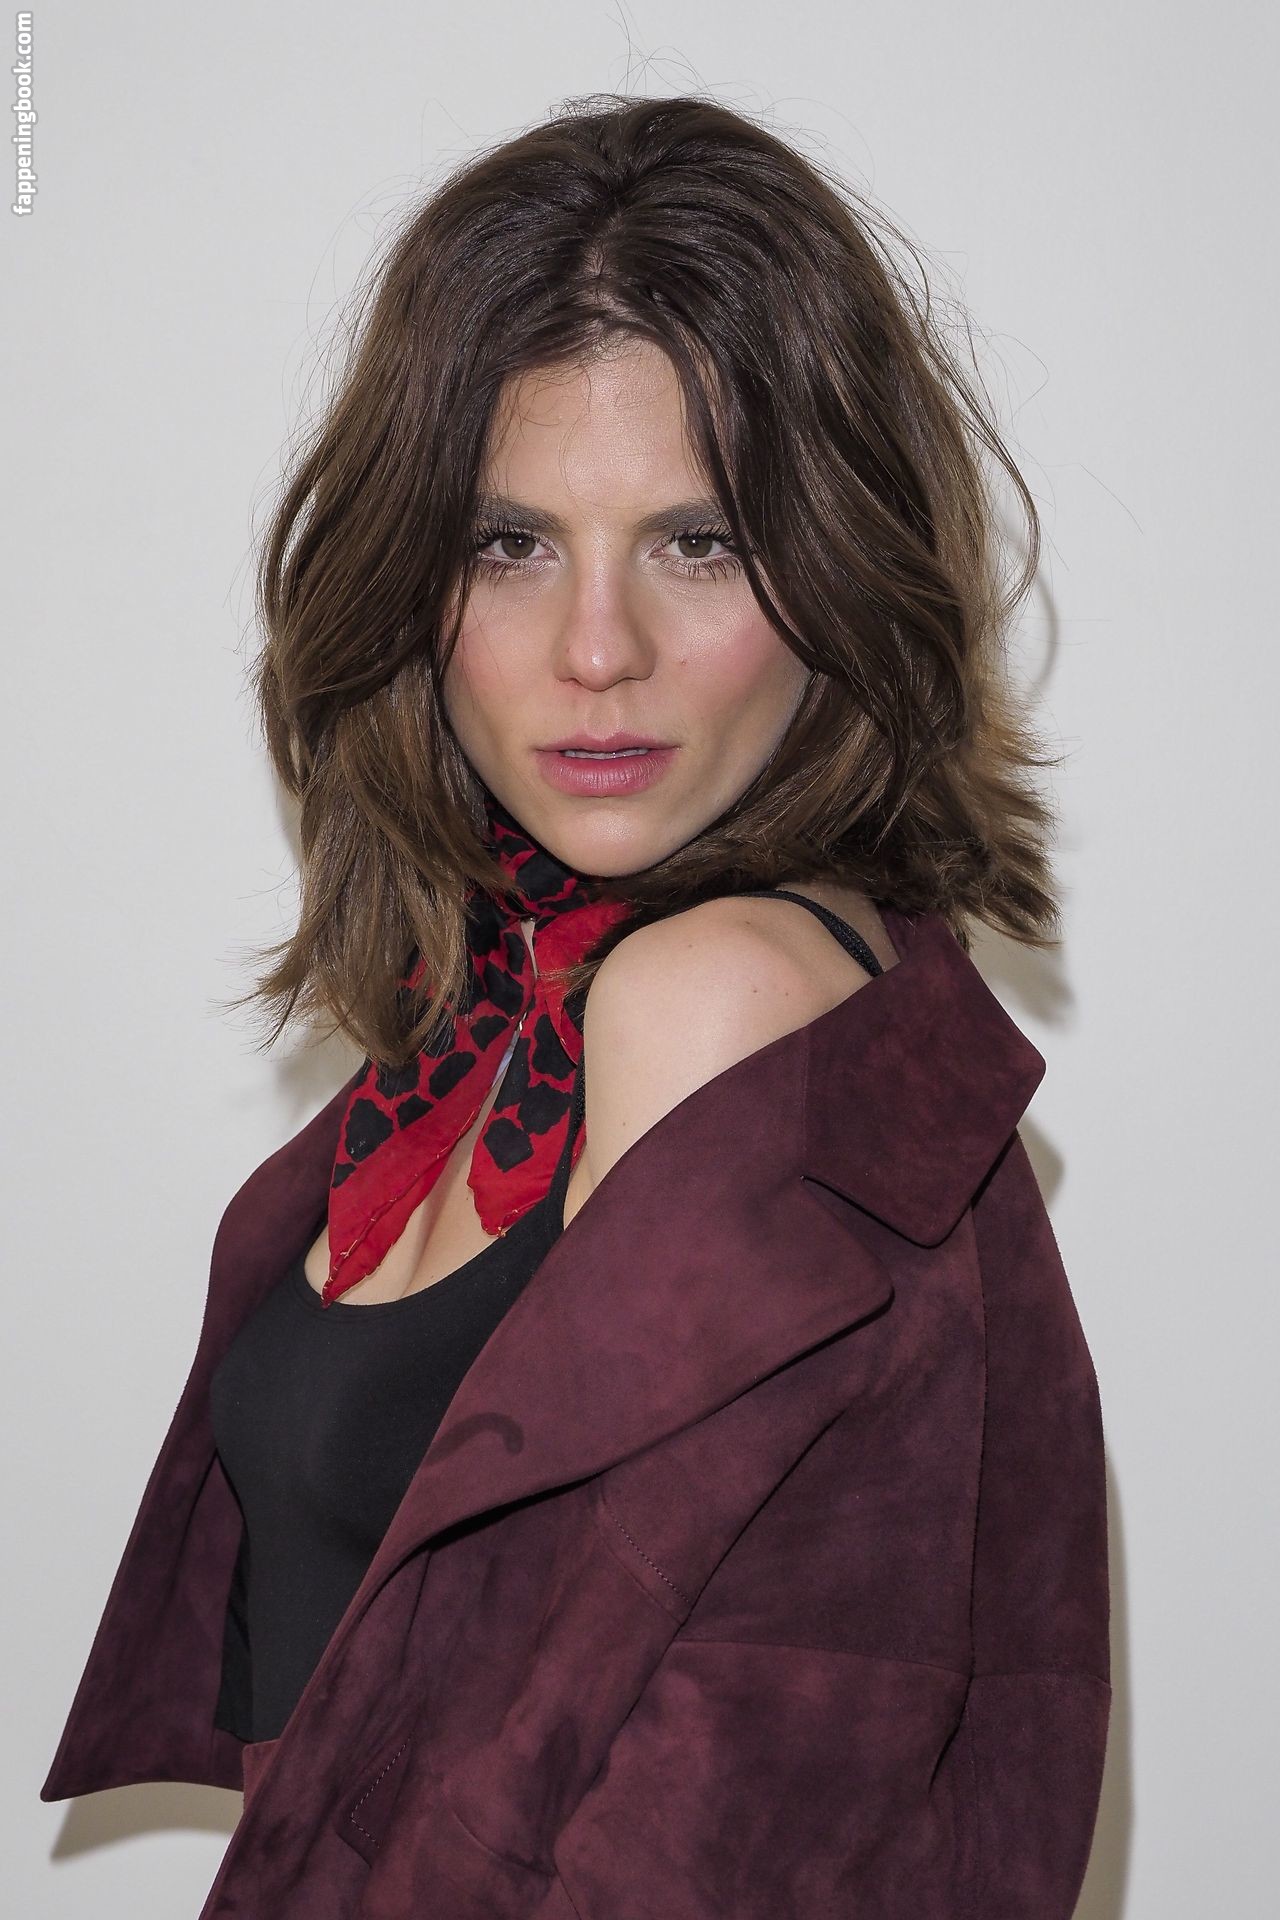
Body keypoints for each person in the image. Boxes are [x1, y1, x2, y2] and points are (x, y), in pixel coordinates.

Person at [40, 93, 1110, 1918]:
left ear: (837, 569)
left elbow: (701, 1820)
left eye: (700, 542)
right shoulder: (487, 1016)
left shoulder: (711, 1001)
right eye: (509, 544)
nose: (595, 648)